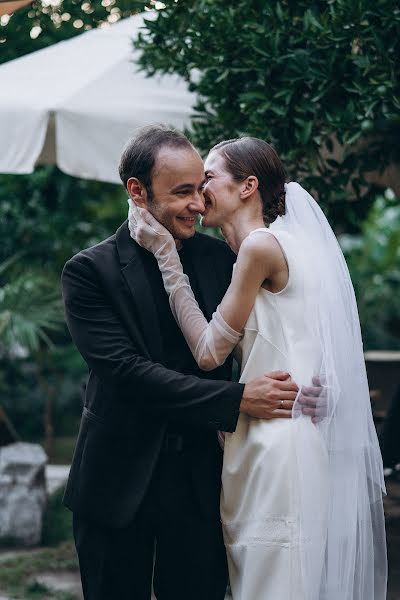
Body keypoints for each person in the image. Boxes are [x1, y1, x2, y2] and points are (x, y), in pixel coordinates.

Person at [61, 125, 321, 600]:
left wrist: (309, 382)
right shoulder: (88, 271)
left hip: (202, 482)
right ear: (137, 192)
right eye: (182, 192)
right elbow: (126, 373)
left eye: (201, 188)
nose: (199, 204)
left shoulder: (223, 258)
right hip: (116, 480)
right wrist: (238, 399)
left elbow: (268, 330)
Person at [130, 136, 388, 599]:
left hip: (275, 445)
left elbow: (209, 353)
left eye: (209, 177)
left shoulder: (260, 248)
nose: (200, 189)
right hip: (265, 436)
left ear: (248, 186)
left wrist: (168, 260)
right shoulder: (286, 248)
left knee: (273, 582)